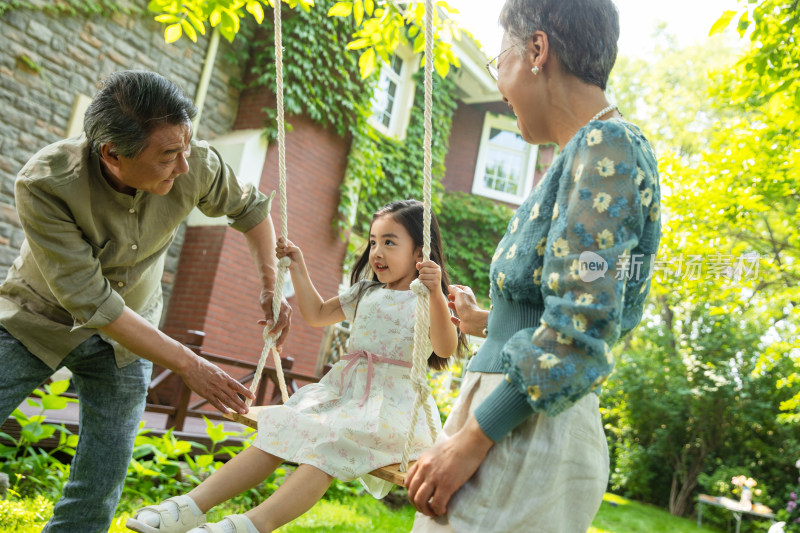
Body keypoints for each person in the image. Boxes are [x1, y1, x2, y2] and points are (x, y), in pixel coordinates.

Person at [405, 1, 662, 531]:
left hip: (523, 430)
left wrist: (475, 438)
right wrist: (485, 323)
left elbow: (580, 324)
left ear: (537, 51)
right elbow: (555, 307)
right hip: (512, 420)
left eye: (500, 57)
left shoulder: (606, 145)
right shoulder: (581, 154)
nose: (499, 79)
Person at [0, 70, 291, 533]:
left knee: (101, 480)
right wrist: (188, 364)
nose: (183, 166)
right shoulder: (44, 183)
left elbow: (251, 209)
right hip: (37, 320)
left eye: (186, 147)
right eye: (168, 156)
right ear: (112, 154)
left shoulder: (192, 161)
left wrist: (270, 283)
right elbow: (92, 302)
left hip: (130, 336)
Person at [126, 199, 468, 533]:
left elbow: (445, 346)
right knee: (283, 422)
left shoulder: (426, 299)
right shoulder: (365, 291)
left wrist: (435, 292)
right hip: (345, 397)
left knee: (330, 442)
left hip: (390, 410)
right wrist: (299, 266)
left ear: (420, 254)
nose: (377, 252)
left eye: (390, 242)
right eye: (373, 241)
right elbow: (316, 314)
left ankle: (250, 525)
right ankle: (190, 507)